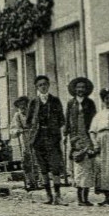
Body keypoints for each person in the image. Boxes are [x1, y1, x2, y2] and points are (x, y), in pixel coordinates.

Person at [24, 75, 67, 204]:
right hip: (38, 138)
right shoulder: (33, 102)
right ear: (37, 87)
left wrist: (53, 129)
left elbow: (61, 119)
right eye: (40, 85)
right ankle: (48, 195)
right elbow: (28, 121)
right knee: (42, 167)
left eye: (45, 84)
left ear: (48, 85)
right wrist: (35, 129)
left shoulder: (55, 101)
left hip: (52, 138)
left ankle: (57, 195)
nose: (43, 87)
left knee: (55, 165)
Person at [64, 76, 98, 208]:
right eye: (78, 87)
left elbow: (94, 119)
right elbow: (67, 118)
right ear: (74, 89)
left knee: (88, 167)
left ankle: (86, 197)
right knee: (78, 166)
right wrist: (65, 133)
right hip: (75, 137)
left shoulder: (90, 103)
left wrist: (94, 133)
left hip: (87, 135)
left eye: (83, 87)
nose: (80, 90)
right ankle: (79, 198)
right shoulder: (70, 103)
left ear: (86, 89)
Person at [9, 95, 35, 191]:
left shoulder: (32, 113)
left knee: (36, 159)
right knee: (26, 160)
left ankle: (39, 181)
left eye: (24, 105)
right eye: (20, 105)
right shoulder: (17, 116)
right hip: (24, 139)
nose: (23, 107)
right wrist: (17, 131)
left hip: (34, 137)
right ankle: (29, 181)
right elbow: (12, 129)